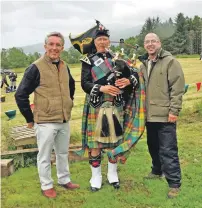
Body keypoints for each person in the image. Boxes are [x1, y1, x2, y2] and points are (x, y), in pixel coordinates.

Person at [15, 32, 80, 198]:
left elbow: (71, 87)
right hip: (45, 121)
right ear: (45, 47)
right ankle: (46, 185)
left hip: (64, 119)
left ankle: (64, 180)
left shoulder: (65, 66)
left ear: (62, 48)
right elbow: (20, 94)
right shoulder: (35, 67)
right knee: (44, 156)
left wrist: (69, 103)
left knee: (62, 153)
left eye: (58, 45)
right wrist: (30, 118)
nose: (54, 48)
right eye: (51, 44)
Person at [80, 28, 139, 192]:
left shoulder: (118, 58)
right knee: (95, 143)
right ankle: (96, 177)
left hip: (116, 103)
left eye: (105, 39)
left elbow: (134, 74)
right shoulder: (88, 60)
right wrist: (102, 88)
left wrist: (127, 81)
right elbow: (84, 84)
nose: (103, 42)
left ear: (108, 41)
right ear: (95, 42)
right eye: (99, 40)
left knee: (115, 141)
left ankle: (113, 174)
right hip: (97, 104)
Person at [139, 33, 185, 198]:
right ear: (144, 45)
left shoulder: (170, 62)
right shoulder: (144, 63)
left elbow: (177, 88)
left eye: (153, 41)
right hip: (149, 115)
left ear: (159, 43)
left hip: (165, 115)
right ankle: (157, 170)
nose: (150, 44)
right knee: (153, 147)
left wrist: (174, 111)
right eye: (147, 42)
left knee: (168, 150)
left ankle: (174, 184)